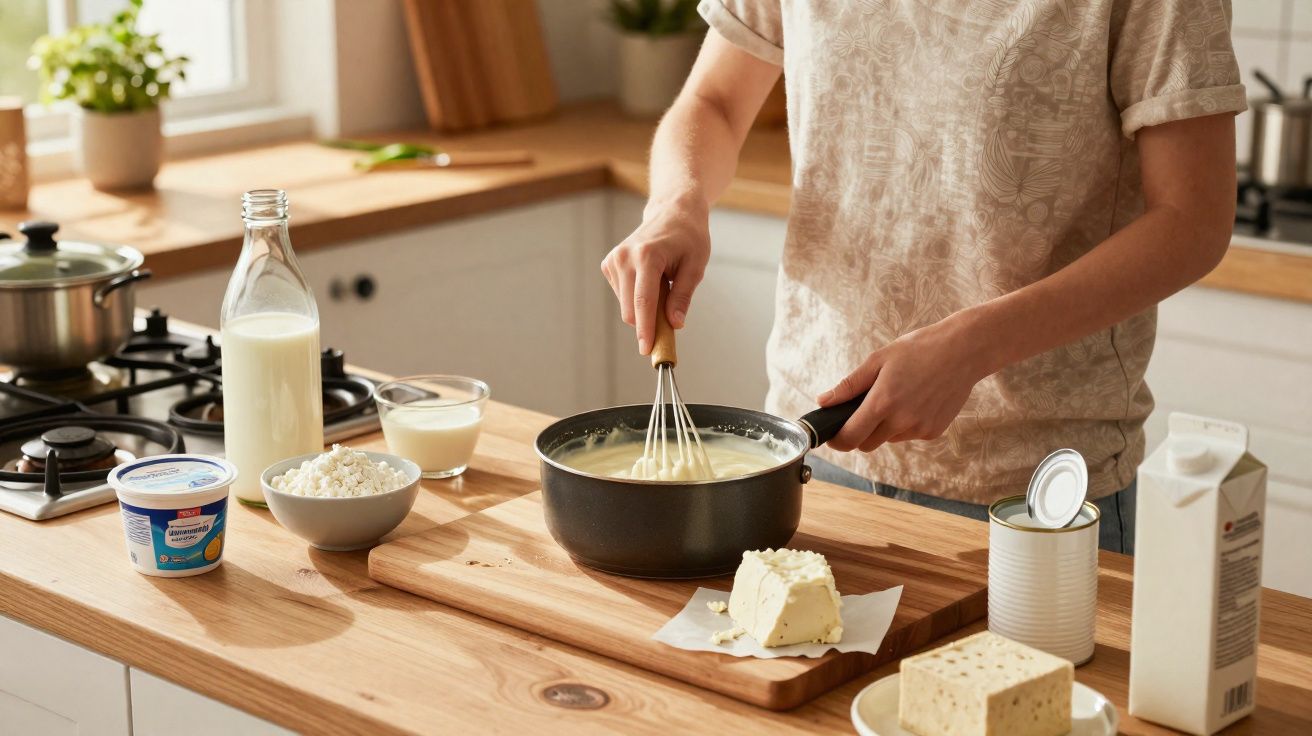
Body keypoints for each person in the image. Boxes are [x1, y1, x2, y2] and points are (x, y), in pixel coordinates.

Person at [600, 0, 1245, 554]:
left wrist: (972, 347)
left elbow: (1192, 220)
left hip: (1033, 493)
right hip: (810, 457)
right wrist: (676, 202)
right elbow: (713, 101)